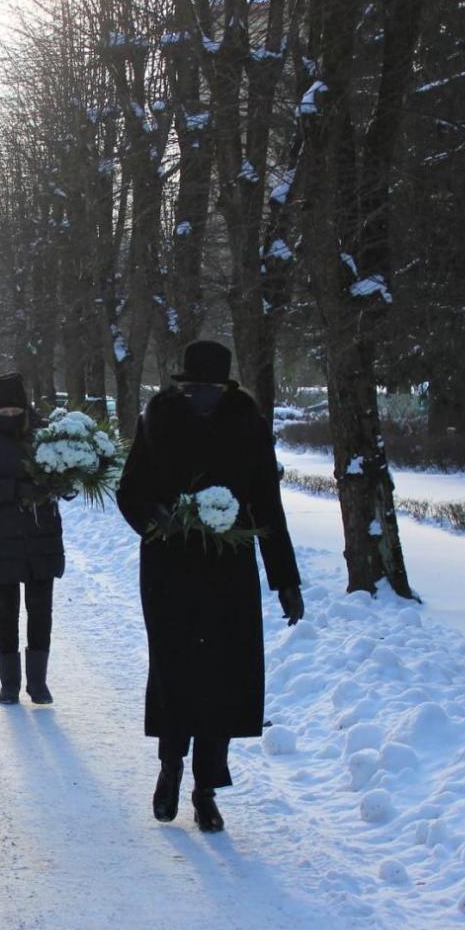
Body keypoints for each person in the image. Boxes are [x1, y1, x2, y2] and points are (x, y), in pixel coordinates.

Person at [116, 339, 304, 833]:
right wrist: (157, 519)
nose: (201, 396)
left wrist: (285, 579)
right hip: (169, 565)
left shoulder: (247, 423)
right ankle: (170, 766)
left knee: (223, 678)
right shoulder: (158, 419)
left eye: (211, 389)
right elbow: (130, 490)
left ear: (226, 387)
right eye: (193, 388)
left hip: (228, 568)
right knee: (175, 671)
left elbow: (266, 502)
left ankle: (206, 789)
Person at [0, 372, 62, 705]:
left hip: (41, 534)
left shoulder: (46, 435)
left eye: (16, 409)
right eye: (5, 409)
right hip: (0, 534)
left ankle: (38, 682)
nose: (10, 414)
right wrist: (14, 490)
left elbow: (64, 476)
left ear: (25, 406)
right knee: (5, 611)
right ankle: (9, 683)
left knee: (41, 610)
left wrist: (58, 484)